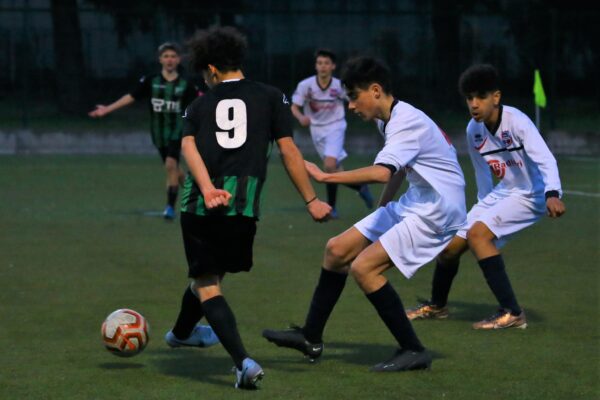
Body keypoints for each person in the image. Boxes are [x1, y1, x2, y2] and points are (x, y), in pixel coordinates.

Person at [263, 56, 467, 372]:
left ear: (374, 90)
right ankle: (310, 337)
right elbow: (398, 171)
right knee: (336, 250)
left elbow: (383, 172)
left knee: (364, 268)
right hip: (418, 200)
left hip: (438, 209)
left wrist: (325, 177)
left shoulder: (404, 121)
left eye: (354, 97)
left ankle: (413, 350)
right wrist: (382, 207)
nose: (351, 107)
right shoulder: (390, 118)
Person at [163, 26, 331, 390]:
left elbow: (187, 148)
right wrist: (312, 200)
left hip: (200, 205)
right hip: (243, 209)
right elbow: (289, 152)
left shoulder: (199, 103)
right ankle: (181, 334)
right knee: (209, 278)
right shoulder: (272, 96)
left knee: (207, 283)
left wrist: (208, 189)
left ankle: (242, 363)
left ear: (210, 69)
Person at [406, 64, 566, 329]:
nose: (474, 104)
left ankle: (512, 313)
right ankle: (437, 306)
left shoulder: (518, 122)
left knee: (478, 235)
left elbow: (546, 158)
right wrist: (481, 209)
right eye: (469, 98)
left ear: (496, 97)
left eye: (480, 97)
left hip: (532, 194)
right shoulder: (474, 130)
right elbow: (483, 174)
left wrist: (553, 194)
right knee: (448, 250)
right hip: (503, 192)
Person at [89, 42, 198, 220]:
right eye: (166, 56)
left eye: (173, 56)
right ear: (160, 59)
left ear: (178, 60)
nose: (169, 59)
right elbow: (131, 97)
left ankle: (170, 208)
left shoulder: (186, 84)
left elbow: (197, 106)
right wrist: (107, 109)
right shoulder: (151, 80)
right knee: (174, 169)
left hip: (177, 130)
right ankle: (196, 193)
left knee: (171, 165)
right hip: (158, 132)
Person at [291, 49, 374, 218]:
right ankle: (360, 187)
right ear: (316, 66)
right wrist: (301, 118)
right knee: (335, 171)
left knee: (329, 166)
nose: (323, 66)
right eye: (320, 63)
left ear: (333, 66)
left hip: (336, 127)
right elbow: (294, 106)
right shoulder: (306, 86)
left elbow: (353, 100)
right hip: (317, 130)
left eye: (326, 63)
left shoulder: (339, 86)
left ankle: (332, 207)